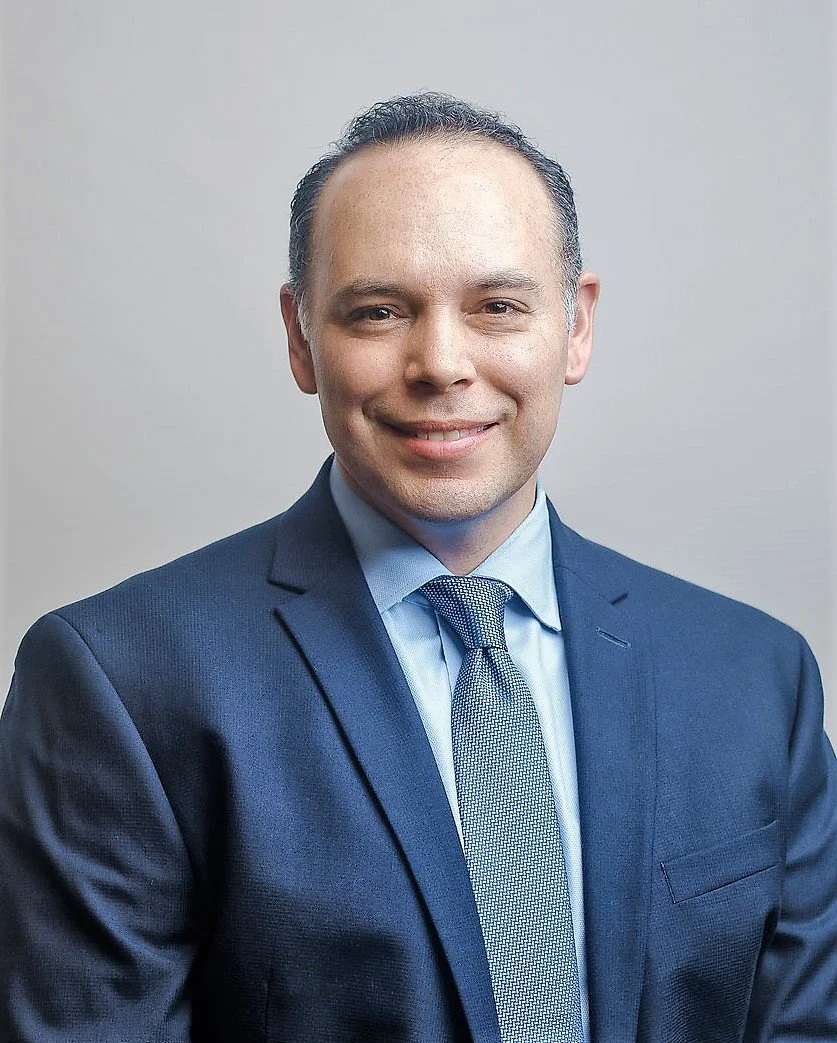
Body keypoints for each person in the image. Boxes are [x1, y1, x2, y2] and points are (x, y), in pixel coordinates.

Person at [1, 93, 835, 1043]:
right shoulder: (120, 678)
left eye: (497, 306)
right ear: (300, 336)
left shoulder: (754, 676)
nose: (440, 362)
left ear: (576, 326)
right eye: (379, 310)